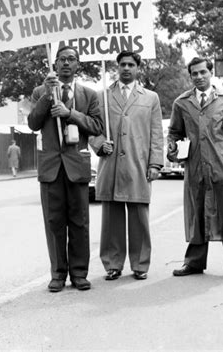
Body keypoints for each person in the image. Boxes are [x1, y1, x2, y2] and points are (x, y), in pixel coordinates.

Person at [28, 45, 103, 292]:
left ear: (78, 64)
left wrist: (70, 113)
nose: (66, 63)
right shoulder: (41, 90)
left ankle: (79, 273)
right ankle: (58, 274)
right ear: (55, 64)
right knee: (54, 222)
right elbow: (33, 123)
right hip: (51, 167)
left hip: (76, 166)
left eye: (71, 59)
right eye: (62, 59)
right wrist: (48, 96)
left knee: (80, 222)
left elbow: (96, 126)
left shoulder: (89, 95)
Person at [168, 57, 223, 279]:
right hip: (194, 166)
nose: (199, 77)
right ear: (190, 76)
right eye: (194, 73)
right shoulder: (181, 103)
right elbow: (174, 133)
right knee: (197, 214)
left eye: (203, 72)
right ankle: (194, 262)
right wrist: (174, 149)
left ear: (210, 73)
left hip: (222, 165)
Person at [90, 51, 164, 281]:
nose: (126, 68)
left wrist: (155, 164)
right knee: (111, 219)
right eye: (122, 64)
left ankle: (140, 264)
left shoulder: (150, 97)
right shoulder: (102, 96)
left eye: (131, 64)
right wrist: (101, 145)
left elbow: (156, 133)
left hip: (137, 164)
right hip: (110, 165)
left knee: (139, 217)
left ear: (138, 68)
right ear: (116, 67)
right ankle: (113, 264)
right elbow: (93, 128)